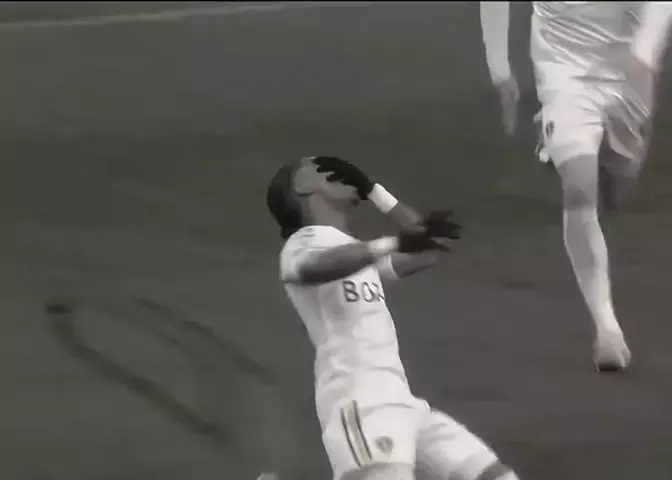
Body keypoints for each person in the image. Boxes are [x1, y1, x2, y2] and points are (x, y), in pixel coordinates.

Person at [265, 156, 519, 480]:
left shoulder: (356, 251)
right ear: (302, 185)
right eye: (322, 167)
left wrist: (374, 191)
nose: (341, 172)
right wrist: (392, 242)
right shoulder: (303, 243)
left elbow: (428, 248)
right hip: (357, 400)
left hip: (404, 402)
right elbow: (311, 268)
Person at [479, 1, 672, 372]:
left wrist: (645, 54)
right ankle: (606, 325)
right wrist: (499, 69)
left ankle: (566, 141)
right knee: (581, 189)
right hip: (565, 74)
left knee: (617, 186)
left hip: (628, 74)